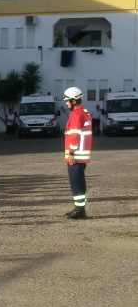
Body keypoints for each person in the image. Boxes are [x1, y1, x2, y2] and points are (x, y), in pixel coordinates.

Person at [62, 87, 93, 219]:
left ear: (74, 101)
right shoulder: (84, 112)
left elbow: (74, 135)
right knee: (80, 182)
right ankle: (81, 209)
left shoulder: (76, 114)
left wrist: (71, 153)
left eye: (67, 101)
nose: (66, 103)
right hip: (82, 155)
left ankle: (79, 210)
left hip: (76, 156)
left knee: (76, 183)